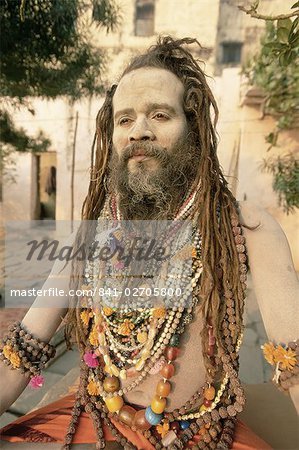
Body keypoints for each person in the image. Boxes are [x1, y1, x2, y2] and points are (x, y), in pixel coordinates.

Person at [0, 36, 298, 450]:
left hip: (198, 434)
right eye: (124, 120)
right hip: (99, 422)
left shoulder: (245, 228)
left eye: (159, 114)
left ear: (192, 127)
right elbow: (24, 348)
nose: (139, 131)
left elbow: (295, 359)